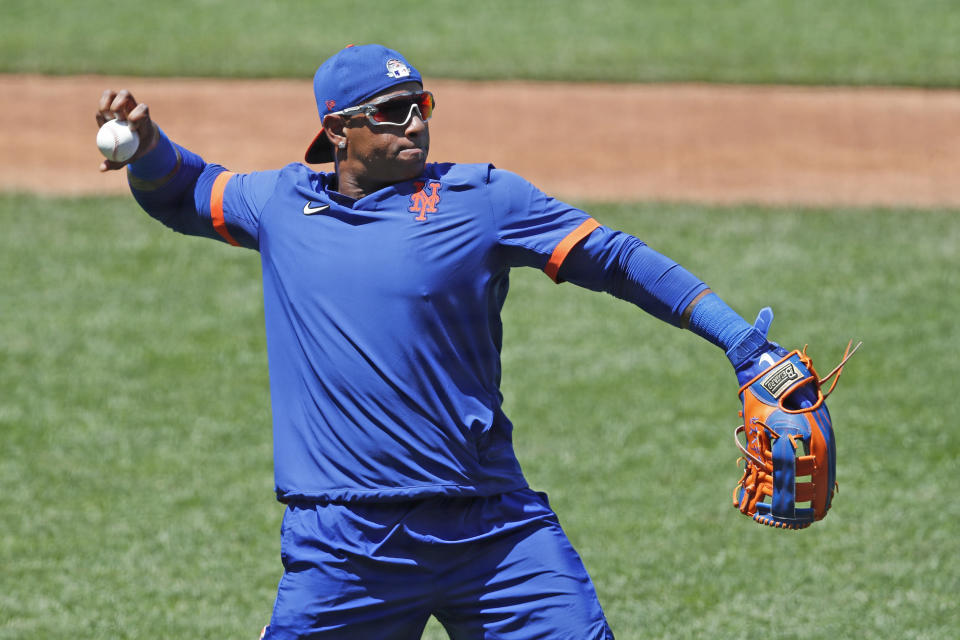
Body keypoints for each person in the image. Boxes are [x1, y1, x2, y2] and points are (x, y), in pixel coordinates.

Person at [97, 44, 788, 640]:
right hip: (346, 541)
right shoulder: (280, 204)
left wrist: (742, 344)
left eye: (421, 104)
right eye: (391, 111)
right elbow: (181, 192)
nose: (415, 122)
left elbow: (616, 259)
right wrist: (147, 146)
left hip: (491, 530)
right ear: (337, 129)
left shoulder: (483, 199)